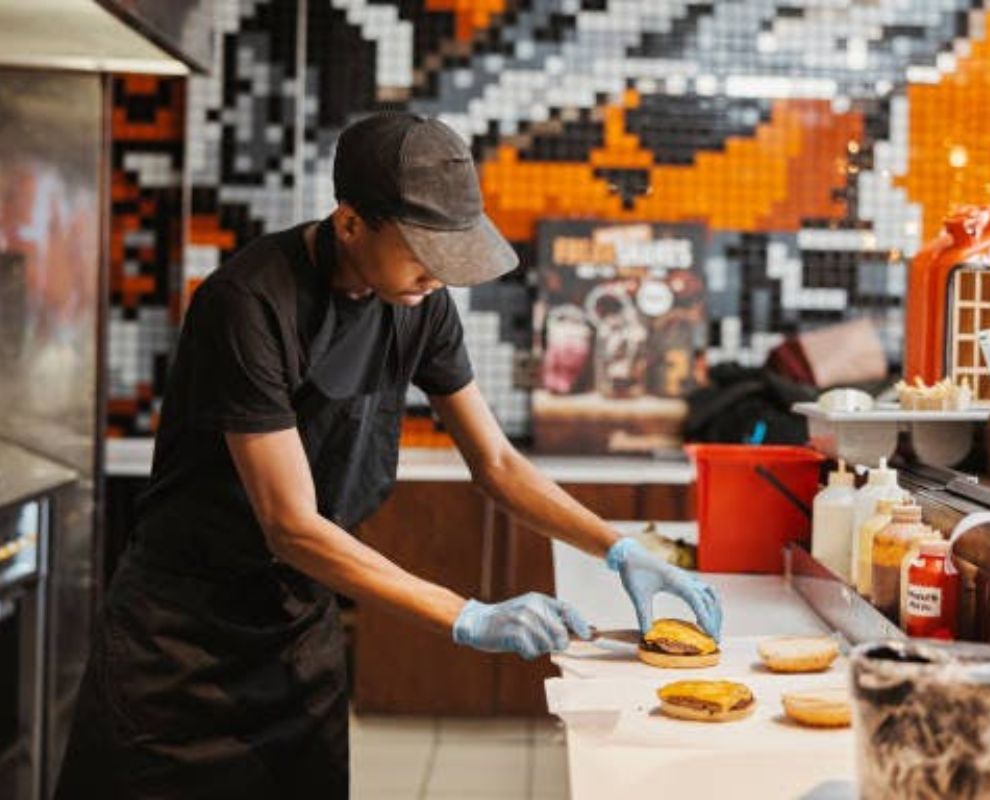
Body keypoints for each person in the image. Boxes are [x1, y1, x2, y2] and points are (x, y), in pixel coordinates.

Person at [55, 112, 722, 799]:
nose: (440, 275)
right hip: (178, 642)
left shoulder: (419, 304)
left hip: (295, 631)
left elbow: (495, 462)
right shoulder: (249, 304)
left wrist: (618, 549)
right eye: (424, 251)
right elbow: (291, 524)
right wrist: (468, 616)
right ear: (350, 224)